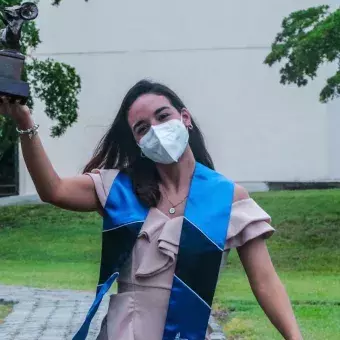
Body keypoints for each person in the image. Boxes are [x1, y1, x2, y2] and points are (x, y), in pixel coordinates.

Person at [0, 80, 302, 340]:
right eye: (143, 127)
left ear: (185, 118)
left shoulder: (226, 197)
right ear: (137, 141)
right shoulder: (119, 188)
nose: (156, 130)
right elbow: (53, 190)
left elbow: (264, 281)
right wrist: (24, 122)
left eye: (163, 116)